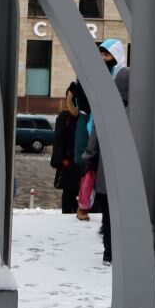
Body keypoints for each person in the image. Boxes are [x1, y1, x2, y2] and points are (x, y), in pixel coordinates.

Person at [81, 39, 130, 266]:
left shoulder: (107, 109)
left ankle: (109, 253)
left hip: (106, 173)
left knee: (109, 215)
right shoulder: (143, 114)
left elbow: (95, 139)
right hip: (133, 176)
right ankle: (125, 251)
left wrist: (88, 161)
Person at [50, 85, 82, 214]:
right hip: (69, 163)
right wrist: (61, 159)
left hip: (81, 162)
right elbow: (58, 141)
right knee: (69, 193)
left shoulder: (85, 116)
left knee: (82, 191)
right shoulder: (65, 117)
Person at [70, 80, 93, 221]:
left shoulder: (83, 115)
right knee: (89, 173)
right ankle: (83, 206)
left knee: (89, 173)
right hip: (88, 147)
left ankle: (84, 206)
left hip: (86, 147)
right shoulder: (85, 116)